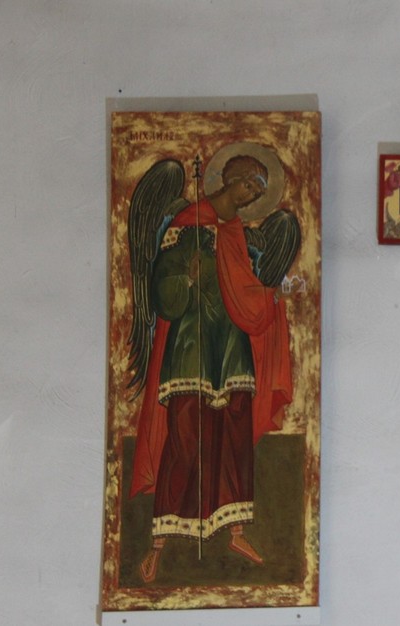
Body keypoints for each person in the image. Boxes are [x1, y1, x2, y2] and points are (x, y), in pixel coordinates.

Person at [130, 155, 294, 582]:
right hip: (191, 349)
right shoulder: (187, 225)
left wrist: (275, 294)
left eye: (258, 194)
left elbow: (248, 290)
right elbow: (163, 292)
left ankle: (235, 531)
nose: (251, 198)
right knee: (185, 440)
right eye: (249, 187)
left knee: (233, 441)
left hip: (231, 350)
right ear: (230, 180)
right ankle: (158, 545)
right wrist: (185, 277)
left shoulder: (239, 234)